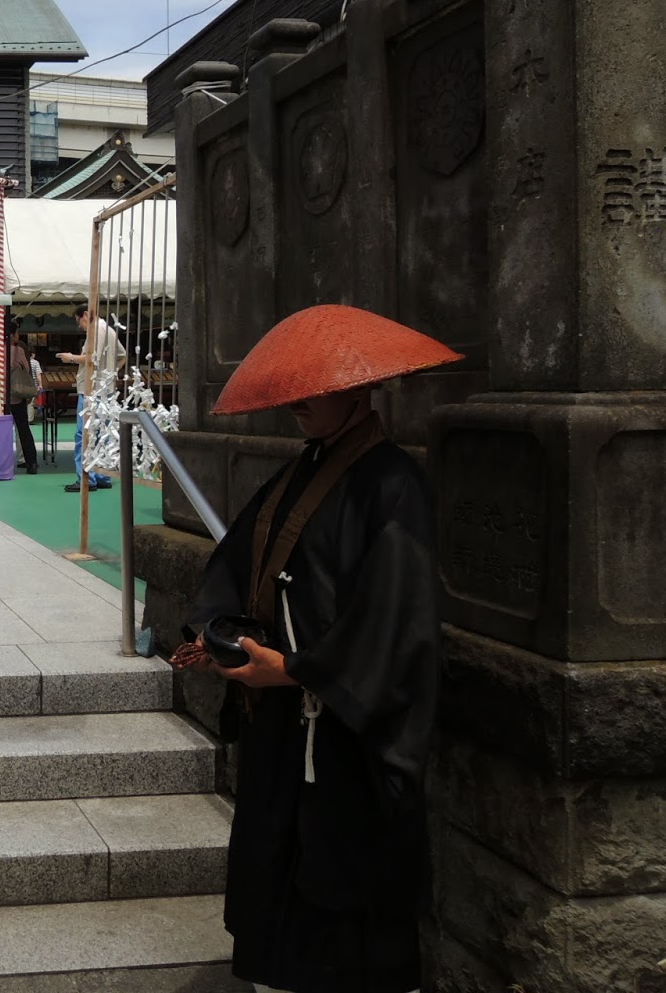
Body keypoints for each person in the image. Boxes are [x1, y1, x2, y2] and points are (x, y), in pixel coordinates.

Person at [171, 304, 455, 993]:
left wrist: (296, 672)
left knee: (347, 905)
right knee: (277, 883)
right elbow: (240, 565)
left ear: (359, 387)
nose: (298, 402)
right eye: (292, 389)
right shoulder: (300, 473)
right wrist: (222, 636)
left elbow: (395, 623)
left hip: (344, 739)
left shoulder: (393, 485)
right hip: (281, 730)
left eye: (314, 389)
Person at [57, 303, 122, 493]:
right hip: (105, 387)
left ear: (86, 315)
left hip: (91, 388)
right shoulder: (109, 329)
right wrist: (111, 372)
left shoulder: (97, 329)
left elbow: (91, 358)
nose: (80, 326)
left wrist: (71, 357)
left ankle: (87, 477)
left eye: (79, 321)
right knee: (102, 433)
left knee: (84, 433)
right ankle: (102, 474)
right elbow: (122, 354)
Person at [5, 323, 39, 476]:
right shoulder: (18, 350)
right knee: (23, 429)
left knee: (1, 430)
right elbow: (26, 369)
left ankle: (1, 463)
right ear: (13, 334)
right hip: (17, 395)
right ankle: (31, 463)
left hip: (0, 397)